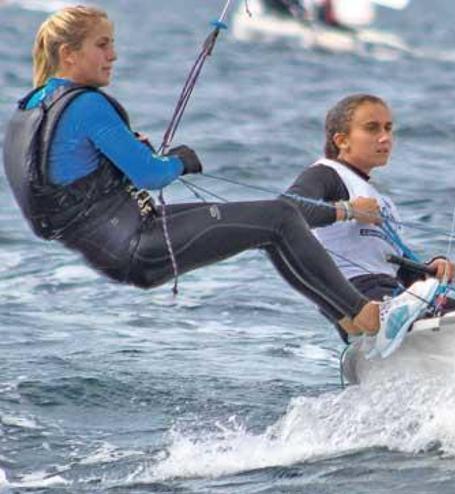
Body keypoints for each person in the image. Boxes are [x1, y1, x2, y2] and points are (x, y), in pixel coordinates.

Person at [2, 6, 431, 341]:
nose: (113, 55)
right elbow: (152, 175)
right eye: (103, 44)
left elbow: (64, 182)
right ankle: (360, 312)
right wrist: (181, 161)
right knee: (280, 218)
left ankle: (352, 317)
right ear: (68, 54)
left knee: (267, 222)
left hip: (115, 243)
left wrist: (123, 158)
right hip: (138, 244)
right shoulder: (88, 104)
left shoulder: (30, 109)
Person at [285, 94, 455, 341]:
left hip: (392, 291)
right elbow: (288, 210)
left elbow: (391, 266)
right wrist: (348, 210)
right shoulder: (327, 174)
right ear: (342, 140)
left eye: (388, 128)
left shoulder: (382, 200)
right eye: (372, 128)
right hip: (356, 296)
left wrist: (430, 269)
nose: (385, 138)